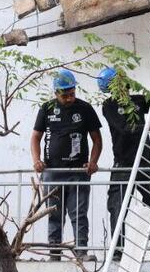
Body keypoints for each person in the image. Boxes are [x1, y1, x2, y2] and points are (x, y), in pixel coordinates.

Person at [96, 66, 150, 262]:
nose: (125, 85)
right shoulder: (109, 106)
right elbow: (125, 128)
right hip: (123, 163)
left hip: (145, 160)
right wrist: (148, 126)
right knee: (118, 206)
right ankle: (118, 251)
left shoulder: (138, 100)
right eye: (119, 82)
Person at [31, 69, 103, 261]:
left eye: (72, 93)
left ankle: (81, 252)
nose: (70, 98)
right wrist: (37, 160)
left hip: (78, 172)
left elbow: (97, 139)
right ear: (56, 93)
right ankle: (54, 254)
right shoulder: (46, 108)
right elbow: (35, 137)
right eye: (65, 95)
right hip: (53, 172)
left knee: (79, 213)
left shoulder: (85, 109)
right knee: (54, 214)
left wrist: (93, 162)